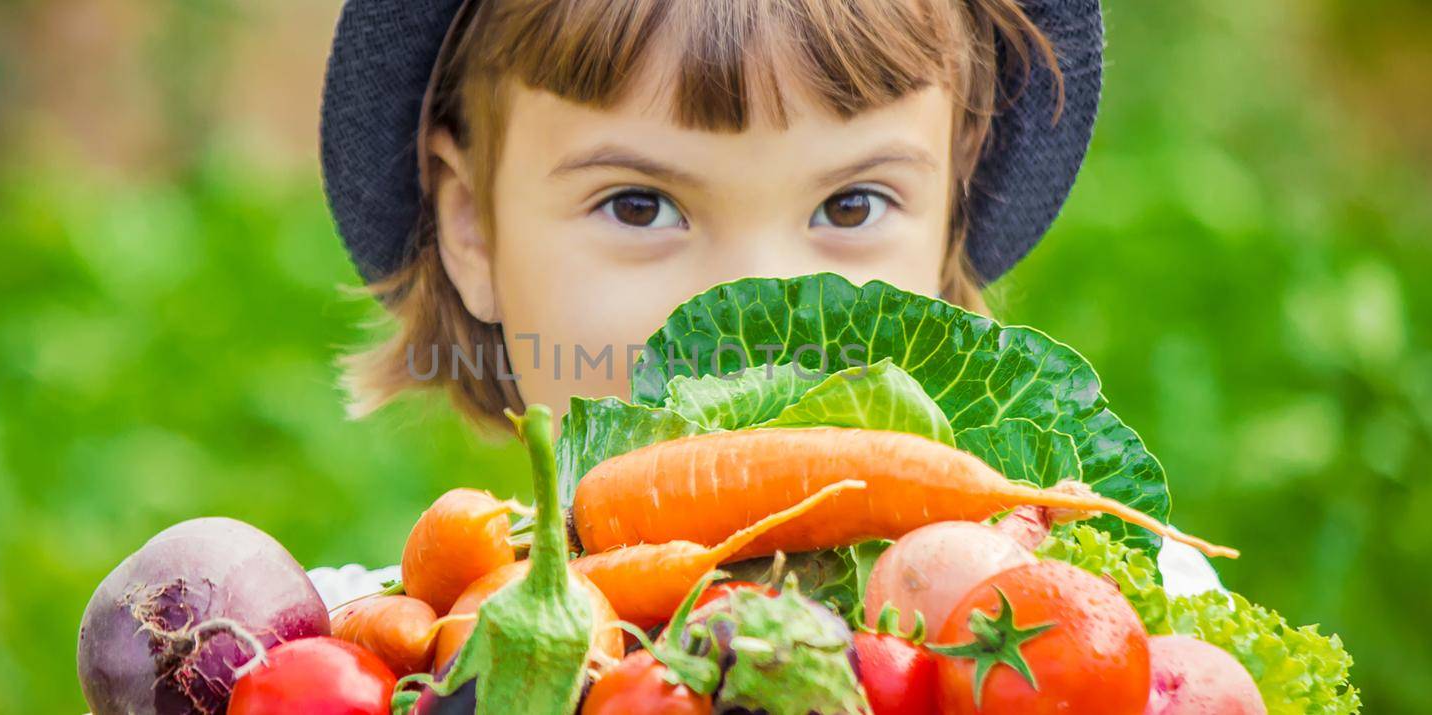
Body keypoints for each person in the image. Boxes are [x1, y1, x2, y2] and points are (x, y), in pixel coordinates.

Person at [308, 0, 1222, 605]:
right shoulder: (330, 649)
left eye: (850, 206)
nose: (742, 325)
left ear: (954, 200)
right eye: (639, 205)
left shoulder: (1122, 626)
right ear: (470, 225)